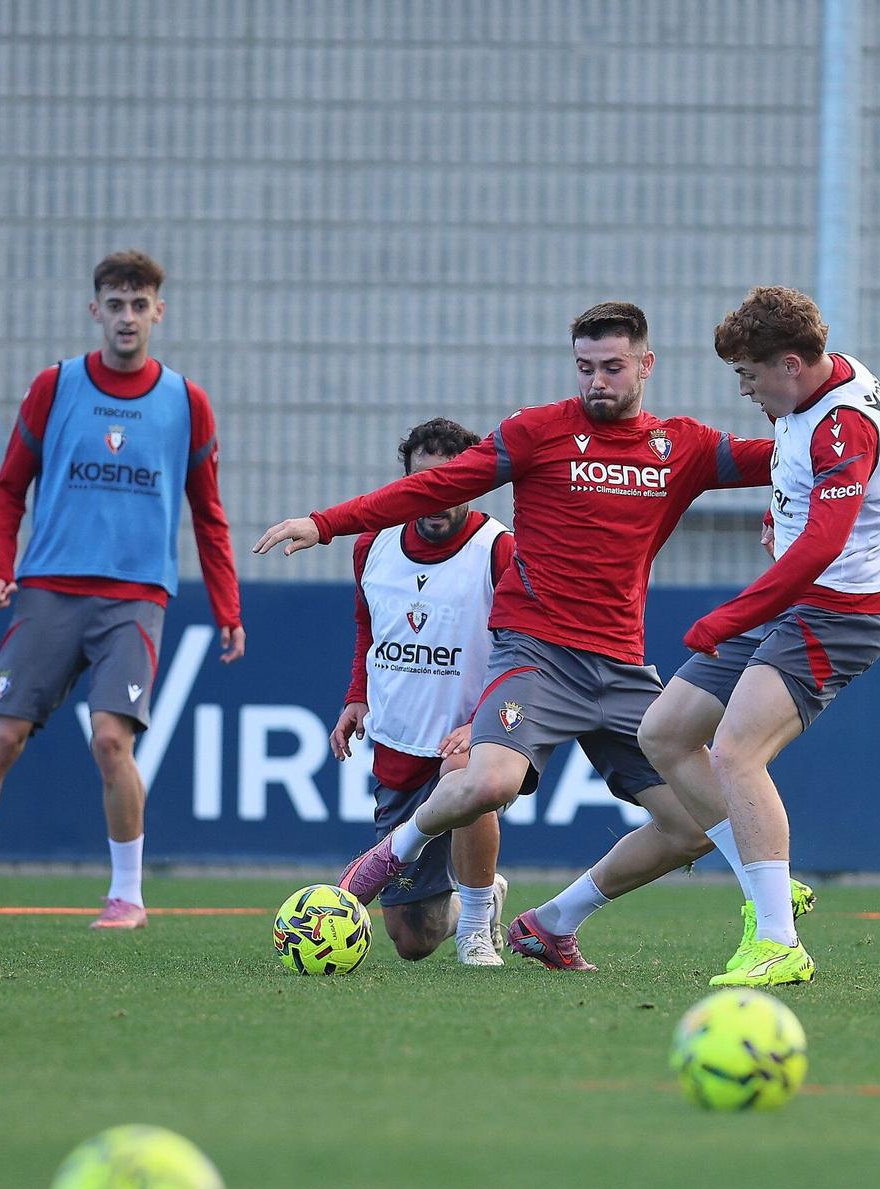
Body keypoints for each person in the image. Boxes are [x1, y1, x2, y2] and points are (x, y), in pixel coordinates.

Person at [257, 301, 775, 972]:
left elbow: (789, 458)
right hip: (535, 652)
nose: (596, 382)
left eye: (613, 367)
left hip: (621, 668)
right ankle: (384, 862)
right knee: (487, 784)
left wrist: (843, 413)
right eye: (585, 367)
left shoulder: (683, 448)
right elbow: (433, 487)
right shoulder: (536, 433)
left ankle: (553, 922)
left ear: (647, 364)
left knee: (695, 823)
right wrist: (325, 523)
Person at [0, 251, 243, 931]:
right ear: (95, 310)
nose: (128, 317)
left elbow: (208, 513)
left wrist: (227, 607)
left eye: (139, 303)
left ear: (159, 310)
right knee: (3, 736)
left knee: (110, 741)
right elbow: (8, 487)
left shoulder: (186, 402)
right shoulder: (55, 386)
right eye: (115, 304)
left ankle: (127, 896)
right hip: (48, 591)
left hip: (135, 597)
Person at [625, 286, 880, 986]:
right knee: (663, 732)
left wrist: (731, 615)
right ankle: (769, 887)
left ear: (790, 363)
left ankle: (779, 940)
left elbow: (821, 546)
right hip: (793, 602)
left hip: (837, 614)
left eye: (751, 375)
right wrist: (777, 515)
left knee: (735, 752)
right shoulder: (813, 386)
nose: (747, 390)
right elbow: (803, 501)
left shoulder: (846, 426)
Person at [331, 419, 515, 966]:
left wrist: (483, 724)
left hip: (469, 738)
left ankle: (477, 928)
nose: (435, 498)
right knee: (413, 939)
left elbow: (521, 645)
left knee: (469, 781)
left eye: (450, 484)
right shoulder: (372, 546)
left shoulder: (496, 548)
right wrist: (356, 695)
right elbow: (370, 627)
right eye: (422, 484)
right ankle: (477, 901)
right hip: (397, 743)